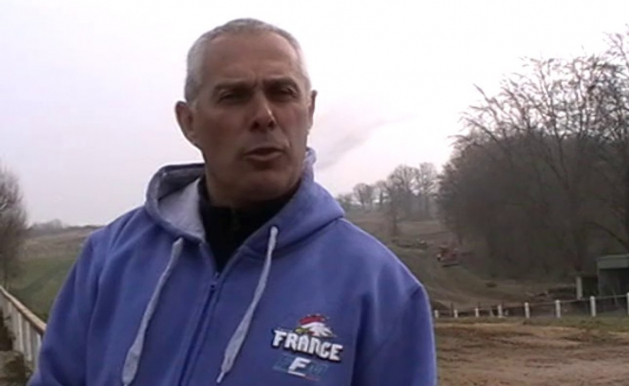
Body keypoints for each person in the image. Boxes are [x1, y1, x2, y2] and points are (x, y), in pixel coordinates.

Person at [29, 18, 437, 386]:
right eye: (234, 96)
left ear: (309, 110)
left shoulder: (383, 291)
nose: (264, 115)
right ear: (189, 122)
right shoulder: (110, 257)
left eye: (282, 92)